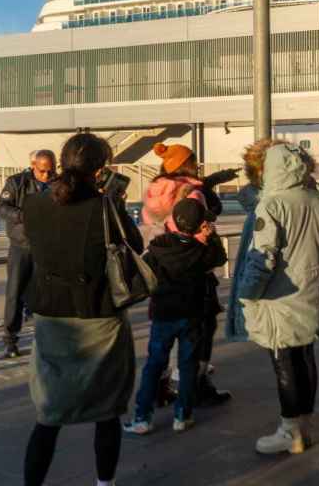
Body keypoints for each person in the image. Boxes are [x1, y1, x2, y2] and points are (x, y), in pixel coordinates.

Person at [21, 133, 141, 486]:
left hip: (50, 313)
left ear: (62, 162)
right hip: (99, 314)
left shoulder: (35, 204)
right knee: (107, 410)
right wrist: (113, 202)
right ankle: (105, 483)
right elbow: (133, 246)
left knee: (49, 413)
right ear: (101, 168)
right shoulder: (104, 206)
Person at [232, 142, 319, 455]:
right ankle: (304, 424)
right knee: (305, 357)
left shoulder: (272, 204)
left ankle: (289, 430)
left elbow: (262, 257)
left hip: (279, 299)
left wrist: (246, 293)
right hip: (311, 293)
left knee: (284, 362)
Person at [124, 198, 228, 436]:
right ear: (200, 225)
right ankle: (183, 415)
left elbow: (144, 273)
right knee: (188, 365)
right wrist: (209, 237)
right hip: (192, 316)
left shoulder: (160, 248)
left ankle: (142, 417)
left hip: (163, 314)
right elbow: (220, 257)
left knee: (154, 364)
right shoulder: (202, 252)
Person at [141, 142, 232, 405]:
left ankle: (159, 388)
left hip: (161, 265)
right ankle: (196, 387)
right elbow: (206, 221)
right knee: (201, 328)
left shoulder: (153, 190)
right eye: (193, 161)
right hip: (191, 266)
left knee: (162, 331)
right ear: (187, 163)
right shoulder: (191, 192)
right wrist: (208, 188)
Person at [0, 149, 56, 358]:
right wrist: (23, 215)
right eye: (42, 171)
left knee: (46, 294)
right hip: (21, 246)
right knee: (14, 293)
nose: (47, 176)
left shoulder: (59, 184)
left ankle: (46, 337)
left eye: (51, 171)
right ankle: (10, 340)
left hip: (47, 247)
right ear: (34, 166)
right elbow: (1, 208)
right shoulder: (17, 182)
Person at [226, 138, 286, 342]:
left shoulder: (266, 207)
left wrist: (246, 295)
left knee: (285, 358)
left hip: (276, 295)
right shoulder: (308, 198)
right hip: (301, 293)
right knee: (298, 357)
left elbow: (262, 255)